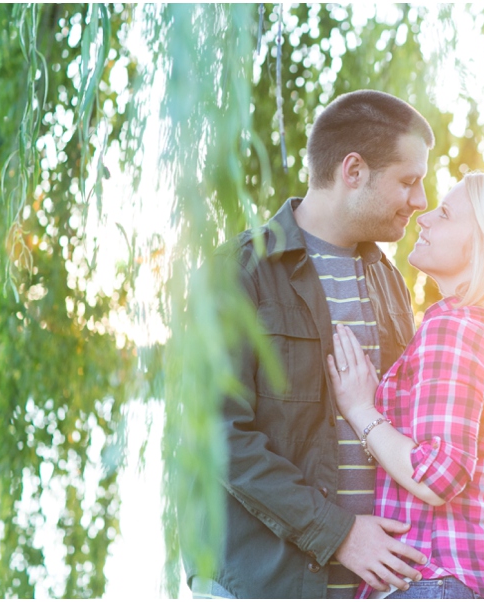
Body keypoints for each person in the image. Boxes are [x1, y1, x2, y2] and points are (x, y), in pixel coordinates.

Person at [185, 90, 435, 598]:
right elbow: (217, 436)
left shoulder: (390, 283)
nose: (422, 201)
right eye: (408, 182)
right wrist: (340, 534)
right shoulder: (237, 272)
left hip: (370, 588)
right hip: (259, 583)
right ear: (353, 170)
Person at [327, 173, 484, 599]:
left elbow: (439, 475)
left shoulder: (454, 325)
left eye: (446, 214)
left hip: (437, 581)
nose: (423, 218)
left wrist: (361, 409)